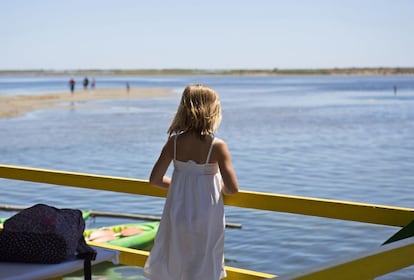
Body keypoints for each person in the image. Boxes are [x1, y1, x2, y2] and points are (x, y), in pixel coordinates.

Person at [144, 84, 239, 280]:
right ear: (213, 111)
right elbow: (232, 189)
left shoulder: (174, 143)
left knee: (178, 261)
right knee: (204, 263)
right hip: (206, 215)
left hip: (178, 212)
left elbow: (155, 180)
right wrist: (214, 187)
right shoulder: (217, 146)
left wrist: (180, 187)